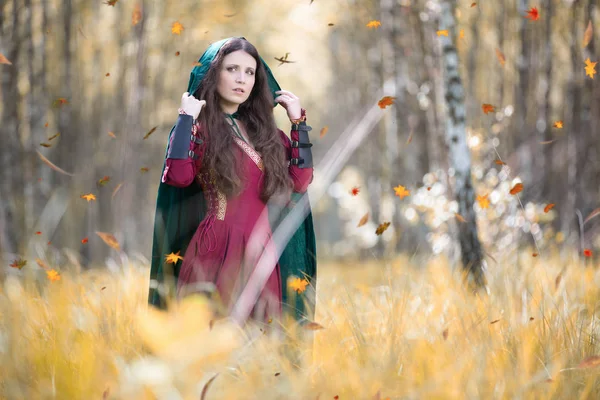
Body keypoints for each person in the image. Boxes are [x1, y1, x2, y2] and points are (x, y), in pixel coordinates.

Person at [148, 37, 317, 326]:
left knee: (263, 351)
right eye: (232, 69)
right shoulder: (199, 128)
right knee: (214, 349)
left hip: (264, 255)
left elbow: (299, 182)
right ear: (213, 75)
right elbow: (178, 177)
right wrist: (186, 119)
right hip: (216, 249)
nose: (242, 79)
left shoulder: (269, 135)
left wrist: (298, 123)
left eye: (250, 72)